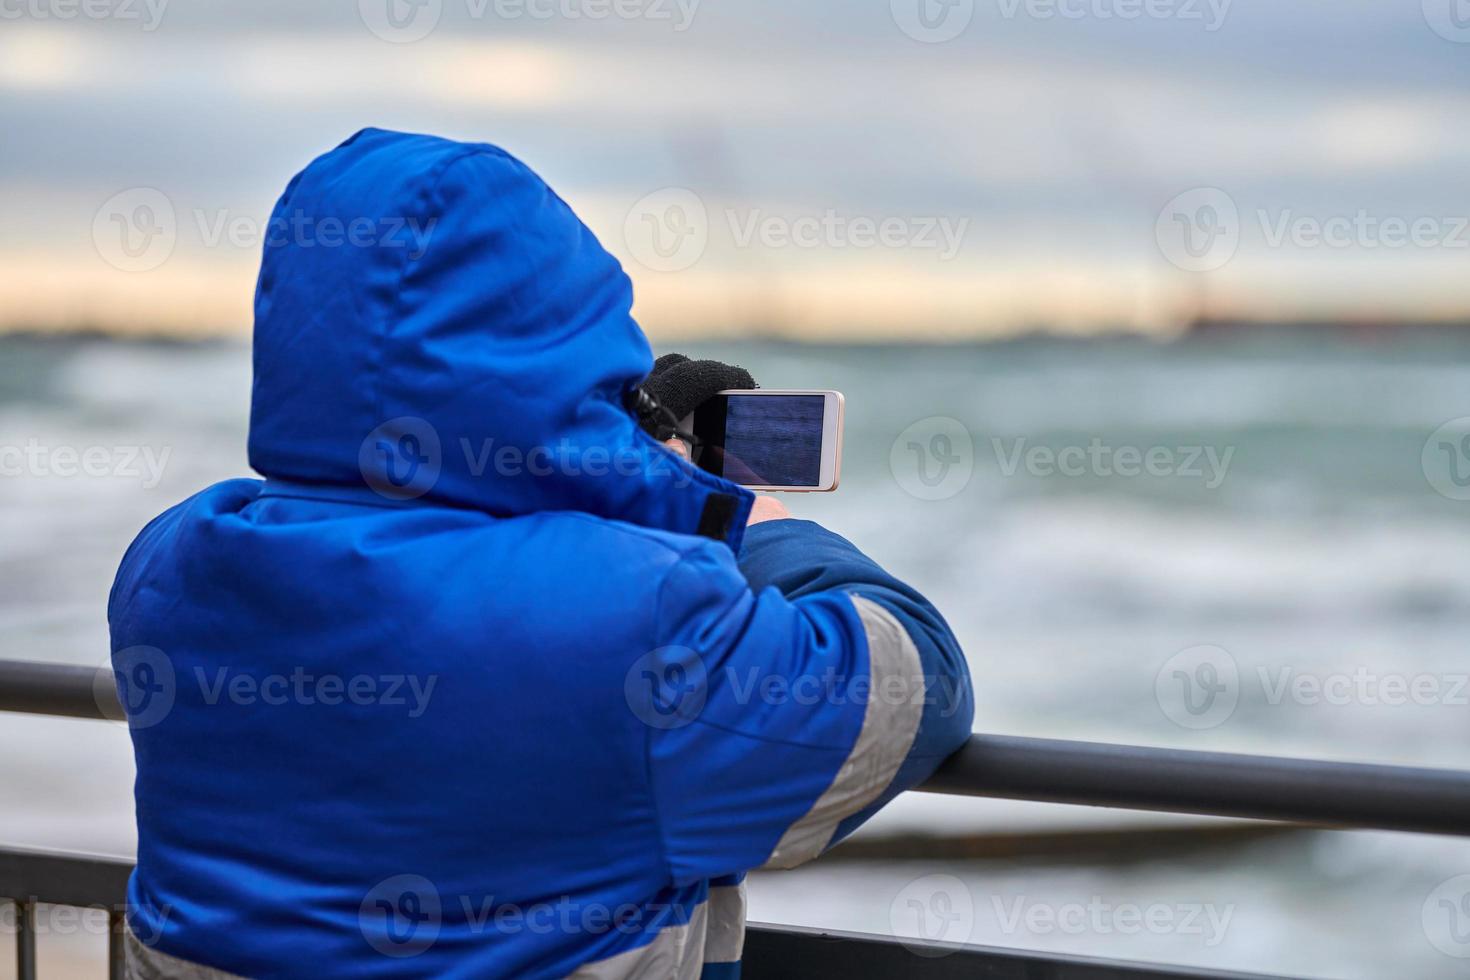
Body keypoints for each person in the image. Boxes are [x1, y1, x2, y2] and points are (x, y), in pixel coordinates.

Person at [108, 128, 974, 979]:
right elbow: (917, 685)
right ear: (572, 337)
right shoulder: (641, 619)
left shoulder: (170, 568)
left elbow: (428, 545)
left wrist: (599, 475)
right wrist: (748, 520)